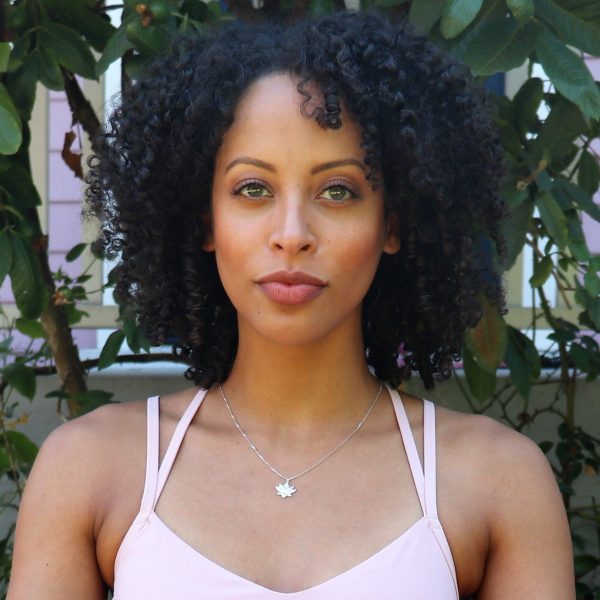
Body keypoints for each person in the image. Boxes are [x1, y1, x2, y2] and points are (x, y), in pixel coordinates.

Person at [8, 11, 574, 599]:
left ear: (392, 223)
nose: (292, 233)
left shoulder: (498, 481)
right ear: (206, 221)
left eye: (338, 190)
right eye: (253, 189)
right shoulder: (90, 470)